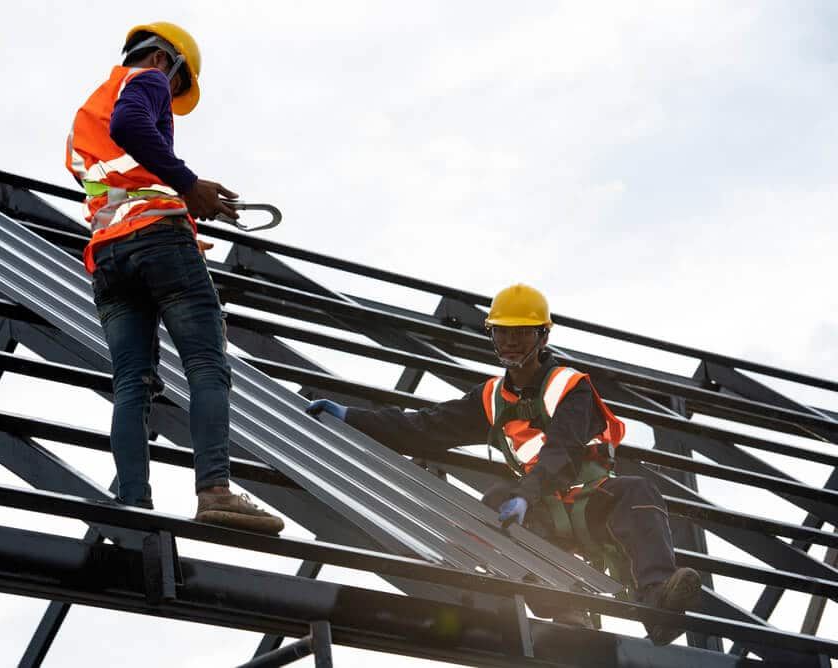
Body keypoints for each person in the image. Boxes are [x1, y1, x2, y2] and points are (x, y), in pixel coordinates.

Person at [307, 284, 700, 644]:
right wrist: (351, 417)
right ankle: (565, 612)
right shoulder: (491, 397)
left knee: (638, 491)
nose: (510, 341)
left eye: (521, 332)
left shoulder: (569, 385)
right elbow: (423, 427)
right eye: (502, 331)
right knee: (493, 500)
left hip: (590, 505)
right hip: (539, 514)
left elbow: (562, 452)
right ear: (491, 334)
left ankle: (659, 605)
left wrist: (526, 494)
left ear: (543, 335)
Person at [66, 21, 283, 534]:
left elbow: (119, 180)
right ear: (167, 60)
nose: (173, 95)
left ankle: (133, 503)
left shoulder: (84, 113)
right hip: (157, 244)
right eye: (178, 85)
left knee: (131, 384)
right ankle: (215, 491)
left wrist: (184, 201)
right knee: (207, 363)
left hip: (109, 255)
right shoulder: (148, 79)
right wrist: (188, 184)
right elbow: (132, 129)